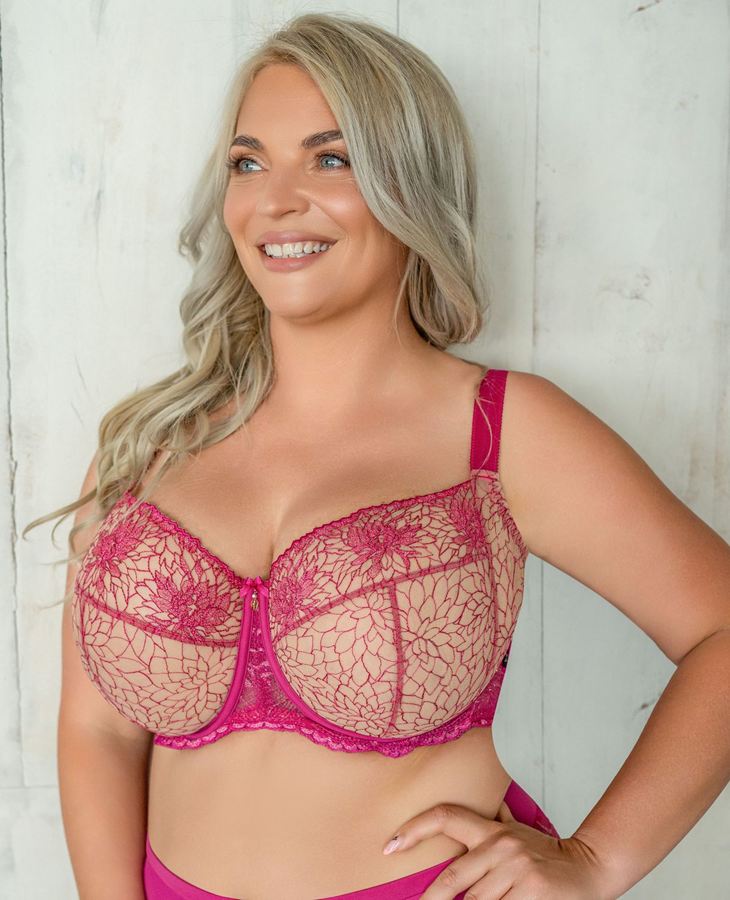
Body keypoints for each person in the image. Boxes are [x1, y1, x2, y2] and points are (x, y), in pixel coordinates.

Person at [26, 11, 730, 900]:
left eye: (331, 159)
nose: (276, 200)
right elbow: (98, 730)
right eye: (248, 163)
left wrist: (599, 860)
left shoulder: (500, 433)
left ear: (410, 184)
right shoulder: (147, 446)